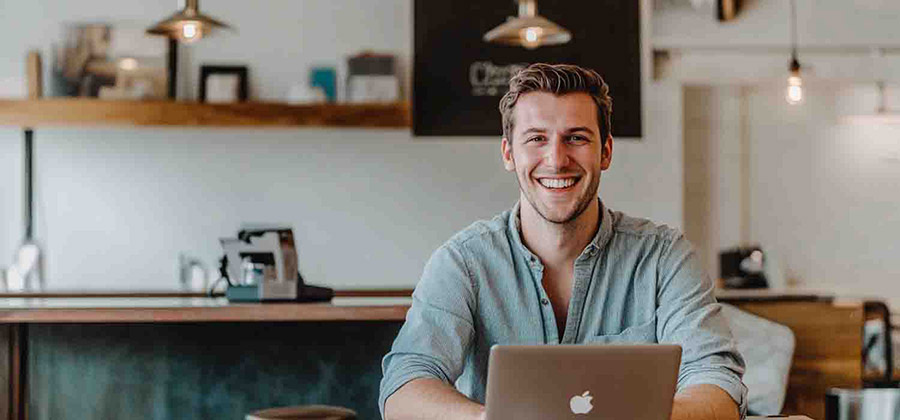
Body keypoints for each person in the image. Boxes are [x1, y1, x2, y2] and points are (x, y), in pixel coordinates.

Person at [379, 63, 747, 420]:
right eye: (536, 138)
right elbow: (405, 385)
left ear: (605, 151)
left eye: (576, 138)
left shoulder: (664, 257)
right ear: (509, 153)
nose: (556, 159)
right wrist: (492, 419)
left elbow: (716, 383)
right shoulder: (463, 262)